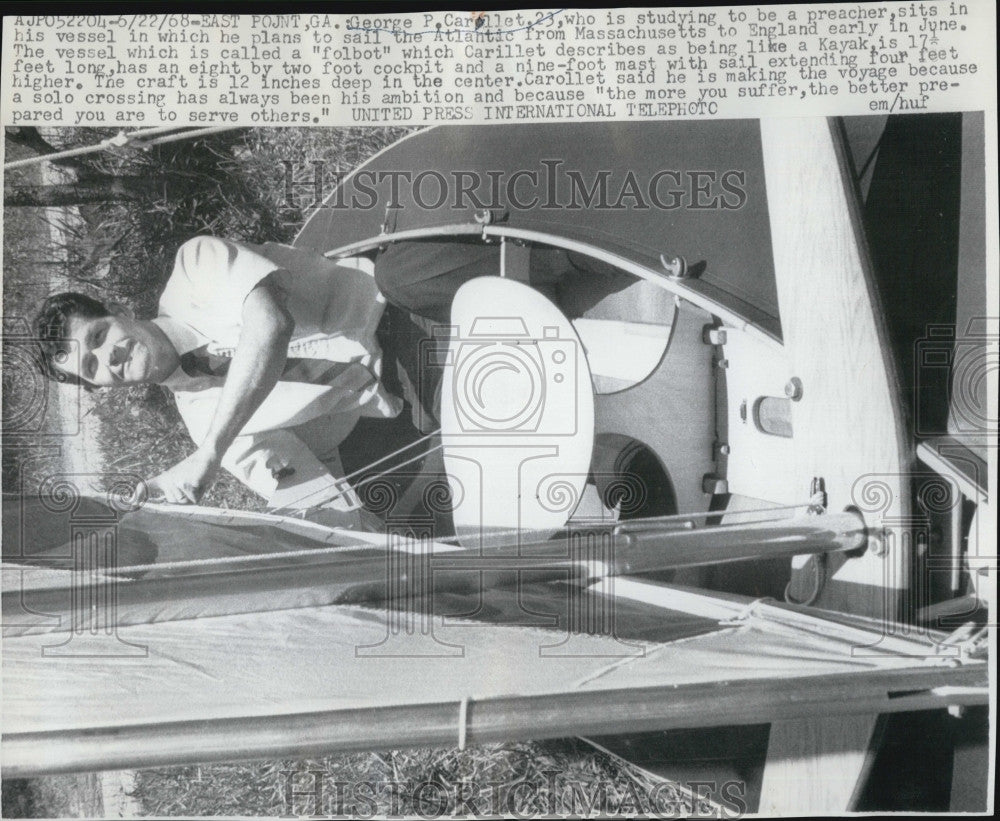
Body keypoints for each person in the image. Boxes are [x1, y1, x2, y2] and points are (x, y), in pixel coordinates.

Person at [35, 237, 407, 525]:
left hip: (398, 301)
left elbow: (271, 324)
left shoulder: (193, 267)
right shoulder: (205, 426)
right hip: (411, 395)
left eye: (98, 336)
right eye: (91, 365)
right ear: (99, 388)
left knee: (413, 275)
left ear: (119, 311)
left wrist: (211, 452)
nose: (108, 358)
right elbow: (310, 491)